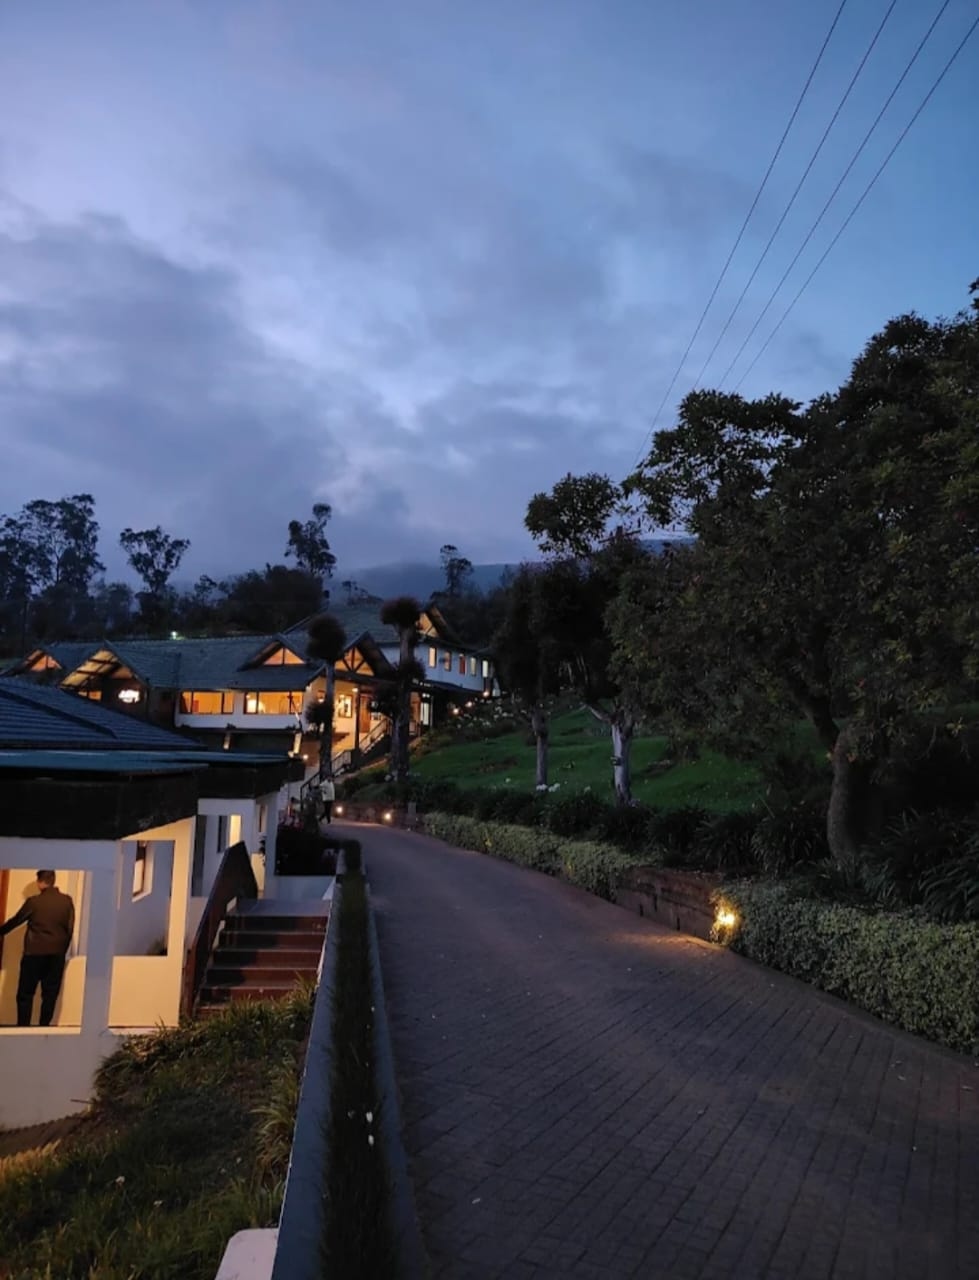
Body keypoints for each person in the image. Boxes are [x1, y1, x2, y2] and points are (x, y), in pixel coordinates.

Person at [0, 870, 75, 1027]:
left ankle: (23, 1029)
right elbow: (69, 929)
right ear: (53, 881)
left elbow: (16, 921)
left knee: (25, 994)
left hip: (34, 954)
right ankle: (43, 1029)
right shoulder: (67, 901)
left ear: (40, 882)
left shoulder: (34, 902)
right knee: (50, 994)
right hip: (56, 955)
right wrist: (61, 951)